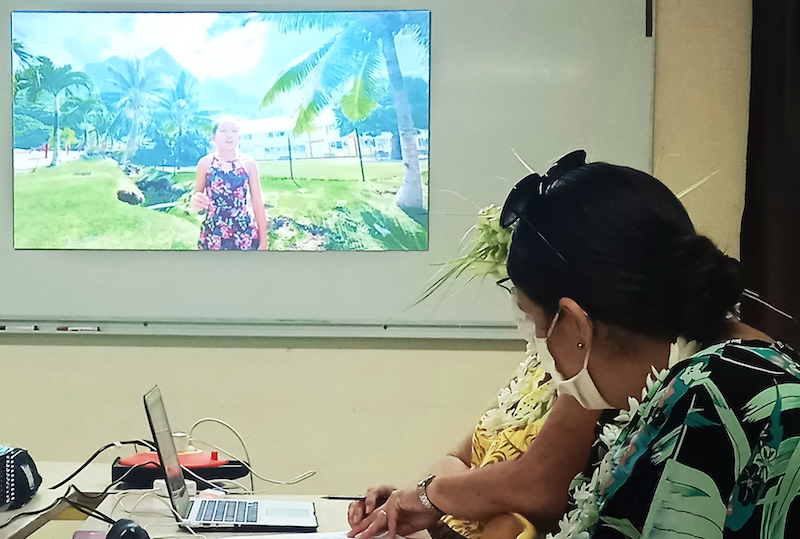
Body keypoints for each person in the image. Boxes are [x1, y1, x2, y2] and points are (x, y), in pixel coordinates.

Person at [350, 151, 800, 539]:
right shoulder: (732, 371)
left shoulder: (705, 400)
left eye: (534, 321)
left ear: (575, 324)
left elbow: (540, 491)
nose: (540, 348)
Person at [190, 117, 268, 250]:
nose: (229, 135)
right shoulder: (205, 164)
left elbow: (257, 202)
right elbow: (197, 196)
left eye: (234, 131)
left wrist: (264, 241)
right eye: (223, 131)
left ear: (239, 137)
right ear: (214, 137)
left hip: (244, 232)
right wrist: (196, 201)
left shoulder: (249, 164)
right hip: (214, 232)